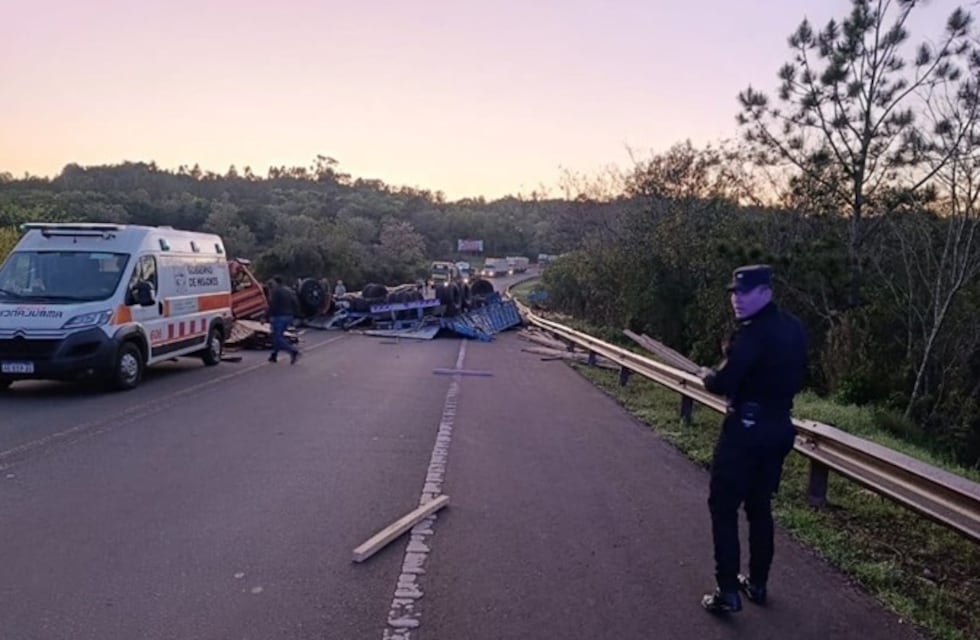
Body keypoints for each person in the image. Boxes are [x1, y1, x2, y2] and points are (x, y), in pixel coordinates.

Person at [698, 264, 807, 614]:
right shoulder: (794, 327)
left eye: (745, 292)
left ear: (766, 292)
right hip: (778, 428)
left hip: (745, 431)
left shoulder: (752, 334)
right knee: (760, 507)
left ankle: (727, 588)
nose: (737, 299)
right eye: (734, 292)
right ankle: (757, 583)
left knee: (723, 506)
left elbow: (724, 382)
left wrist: (708, 376)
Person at [266, 276, 301, 364]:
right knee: (277, 336)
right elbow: (295, 302)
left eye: (273, 282)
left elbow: (272, 305)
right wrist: (296, 314)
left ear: (276, 282)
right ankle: (274, 355)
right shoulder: (289, 291)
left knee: (277, 337)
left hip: (279, 317)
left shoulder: (276, 292)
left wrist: (265, 316)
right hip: (288, 316)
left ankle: (293, 351)